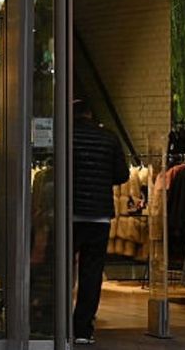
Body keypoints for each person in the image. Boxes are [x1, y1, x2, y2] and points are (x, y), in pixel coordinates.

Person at [71, 101, 129, 345]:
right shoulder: (109, 138)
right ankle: (83, 329)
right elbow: (122, 175)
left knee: (62, 269)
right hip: (99, 215)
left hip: (69, 213)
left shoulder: (66, 136)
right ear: (90, 115)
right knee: (91, 272)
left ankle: (56, 322)